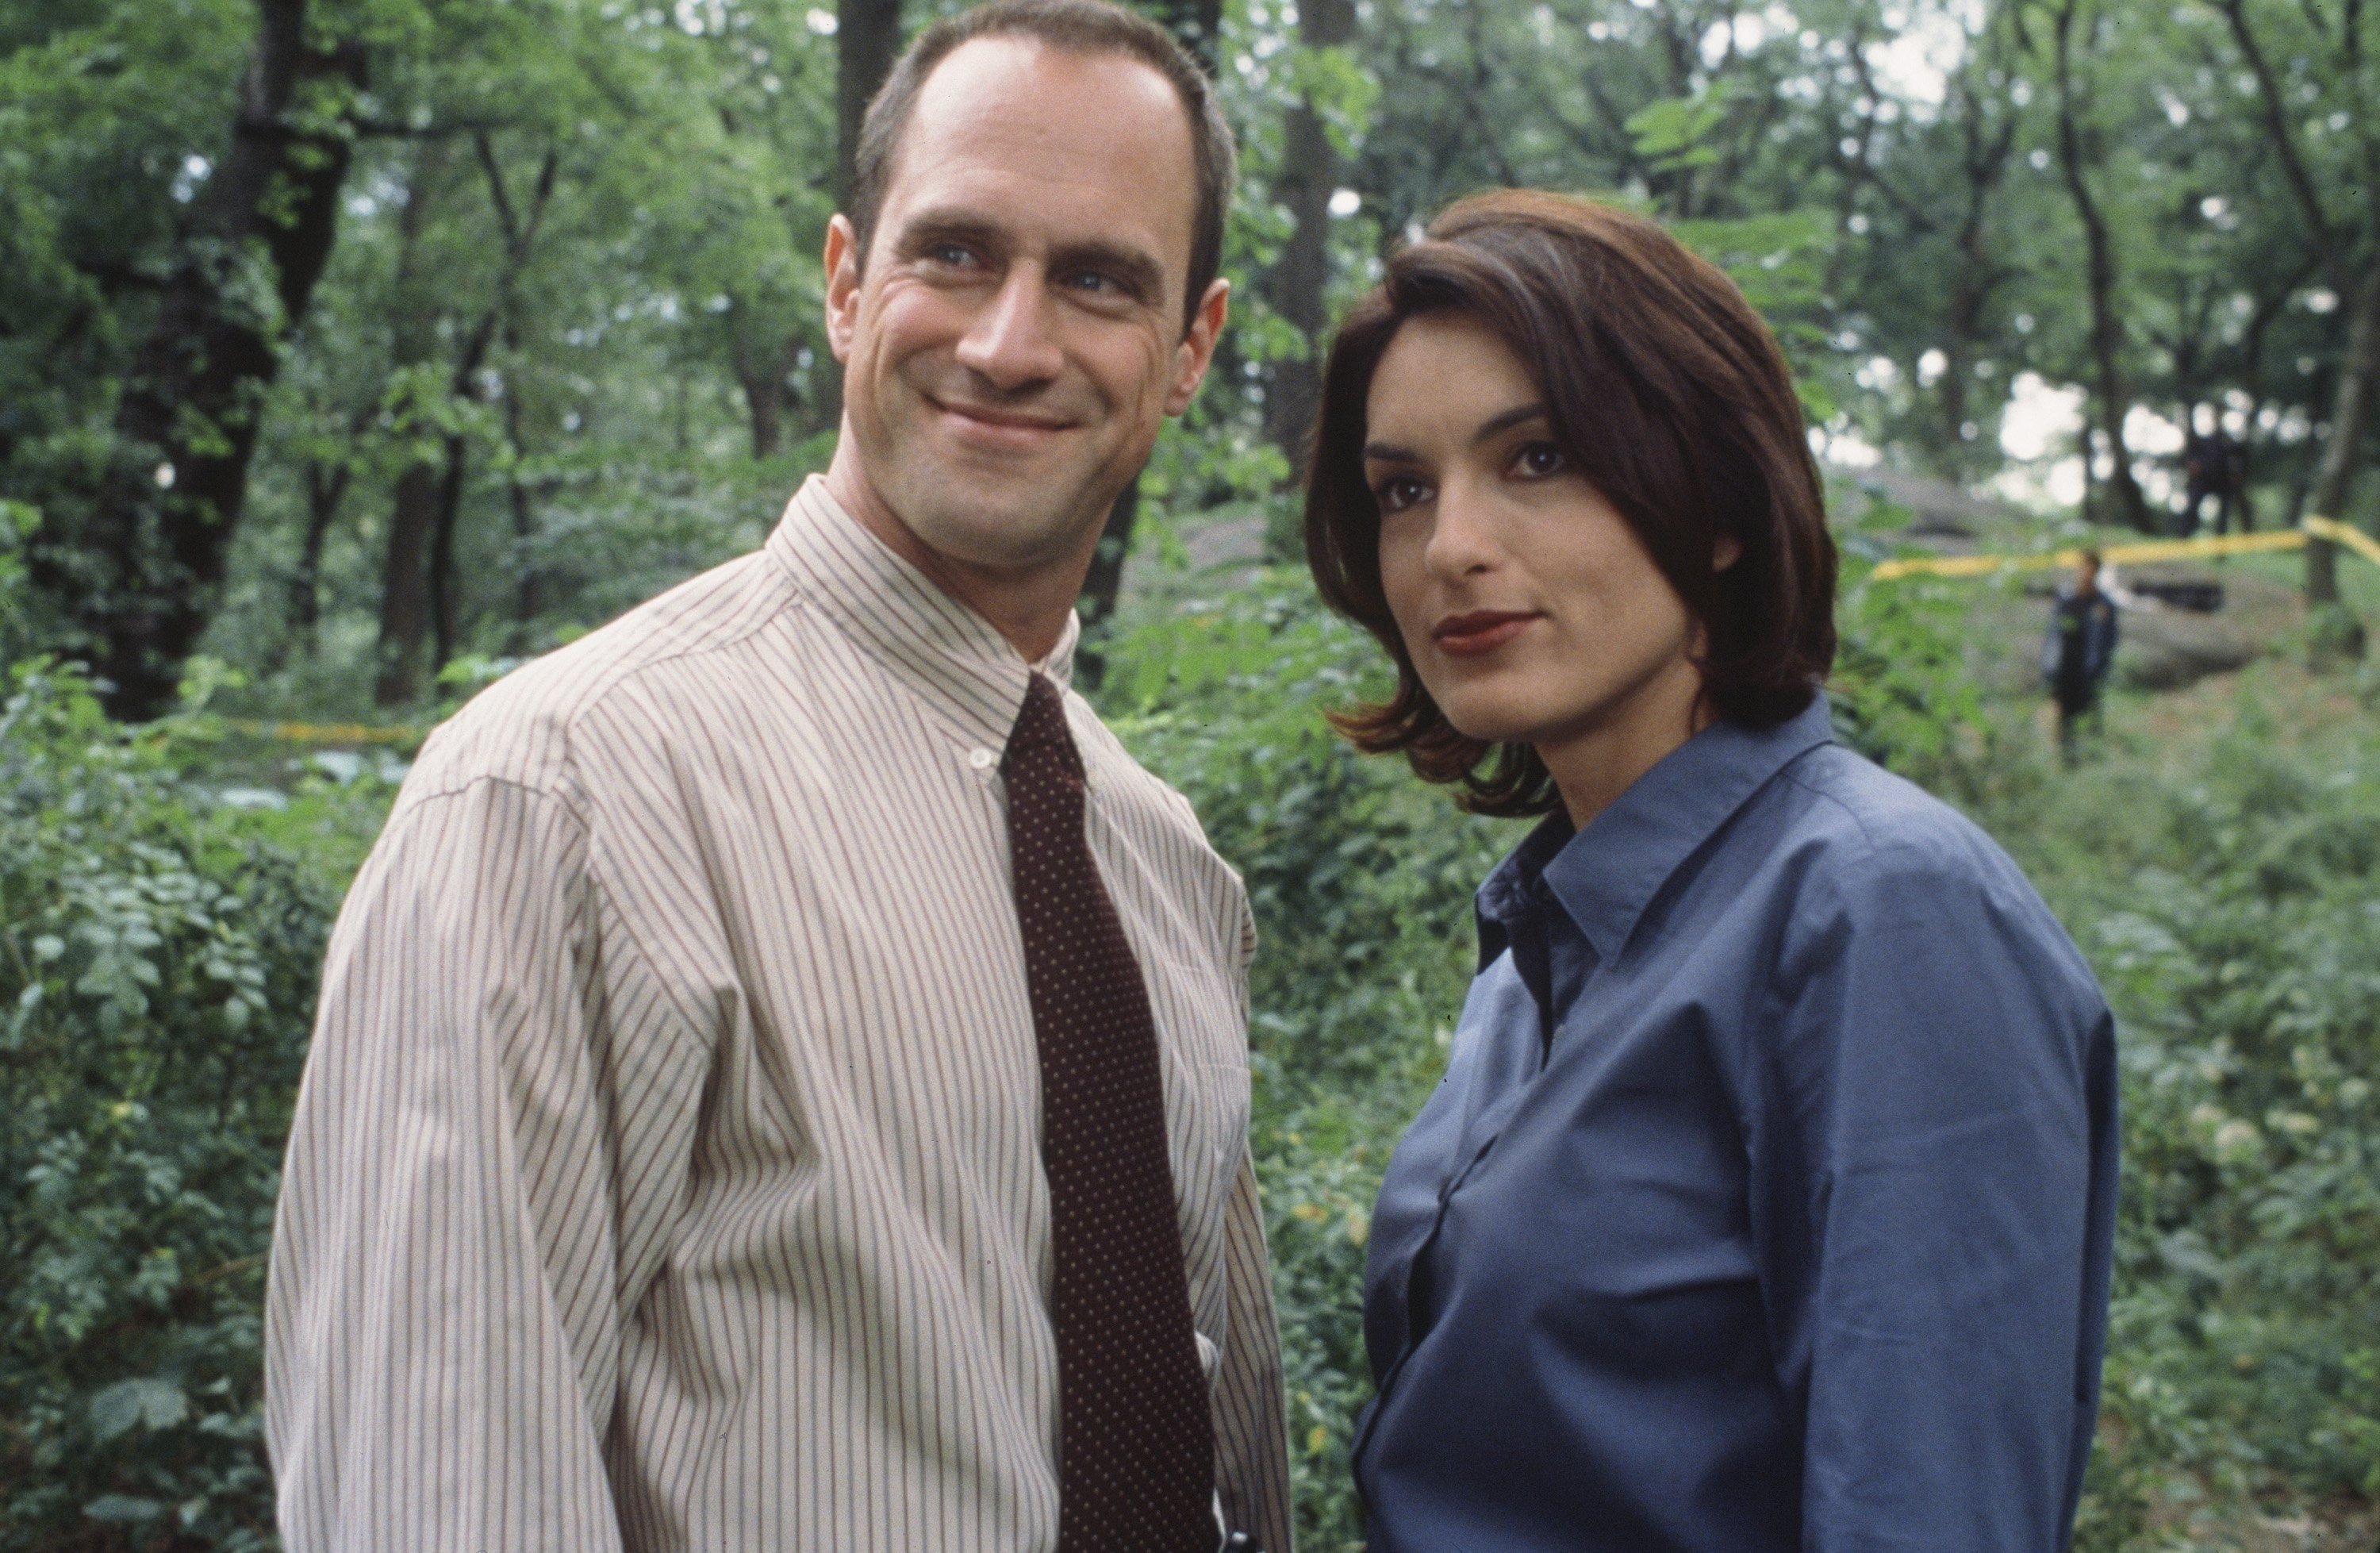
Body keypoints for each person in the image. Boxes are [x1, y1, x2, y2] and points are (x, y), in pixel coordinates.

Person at [263, 5, 1293, 1550]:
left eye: (1096, 278)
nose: (1011, 343)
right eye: (954, 253)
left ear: (1191, 350)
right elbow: (433, 1488)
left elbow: (1220, 1463)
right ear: (843, 282)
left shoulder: (1161, 865)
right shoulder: (565, 800)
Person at [1302, 190, 2119, 1551]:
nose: (1451, 545)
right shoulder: (1542, 948)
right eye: (1404, 489)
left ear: (1719, 505)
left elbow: (1928, 1506)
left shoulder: (1878, 913)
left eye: (1540, 456)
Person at [2044, 547, 2120, 763]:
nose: (2086, 573)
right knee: (2065, 719)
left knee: (2090, 717)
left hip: (2089, 669)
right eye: (2083, 567)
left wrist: (2101, 668)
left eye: (2091, 568)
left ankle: (2092, 762)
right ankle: (2067, 760)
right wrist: (2049, 666)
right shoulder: (2066, 599)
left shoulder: (2103, 605)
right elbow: (2053, 635)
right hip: (2066, 666)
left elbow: (2109, 640)